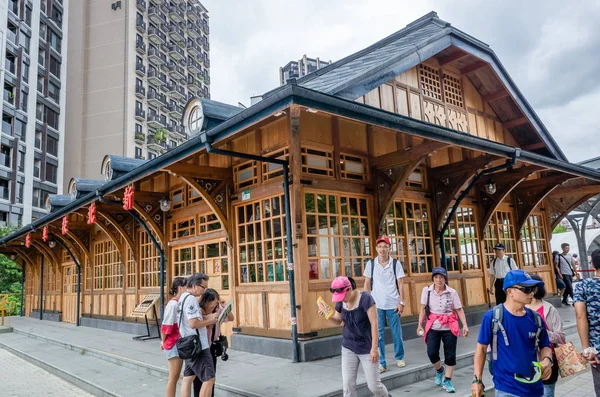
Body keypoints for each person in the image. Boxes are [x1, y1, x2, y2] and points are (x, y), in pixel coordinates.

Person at [471, 269, 553, 397]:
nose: (531, 293)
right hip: (506, 389)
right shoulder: (493, 317)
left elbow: (545, 345)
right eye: (526, 289)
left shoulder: (536, 318)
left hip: (535, 388)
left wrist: (547, 360)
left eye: (533, 288)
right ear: (510, 291)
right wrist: (477, 380)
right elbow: (481, 349)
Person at [319, 276, 390, 397]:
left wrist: (374, 348)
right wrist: (327, 315)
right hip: (349, 346)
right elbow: (338, 320)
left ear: (349, 289)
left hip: (367, 346)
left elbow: (374, 323)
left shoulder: (366, 299)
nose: (341, 300)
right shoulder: (341, 302)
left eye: (342, 296)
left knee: (374, 386)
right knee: (347, 385)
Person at [416, 267, 469, 393]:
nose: (438, 280)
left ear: (445, 278)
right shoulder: (427, 291)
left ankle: (448, 380)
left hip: (449, 326)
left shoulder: (452, 292)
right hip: (433, 326)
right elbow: (423, 309)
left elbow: (459, 309)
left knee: (450, 354)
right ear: (433, 278)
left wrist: (465, 325)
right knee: (432, 352)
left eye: (441, 277)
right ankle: (439, 370)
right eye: (436, 277)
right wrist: (419, 325)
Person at [363, 236, 406, 373]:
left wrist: (402, 302)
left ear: (389, 248)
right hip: (377, 304)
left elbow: (401, 284)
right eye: (380, 246)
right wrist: (366, 303)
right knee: (378, 333)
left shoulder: (395, 264)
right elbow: (367, 283)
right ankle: (382, 362)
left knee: (396, 333)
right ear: (376, 249)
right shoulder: (370, 264)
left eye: (385, 246)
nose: (382, 249)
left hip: (393, 303)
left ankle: (399, 357)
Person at [178, 273, 219, 397]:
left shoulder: (183, 297)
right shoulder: (191, 299)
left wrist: (206, 317)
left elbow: (191, 319)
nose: (204, 291)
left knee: (188, 378)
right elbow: (193, 323)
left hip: (187, 344)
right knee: (209, 379)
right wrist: (211, 321)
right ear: (195, 285)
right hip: (198, 346)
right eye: (203, 287)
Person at [526, 274, 565, 397]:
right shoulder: (520, 309)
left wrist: (542, 333)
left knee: (547, 393)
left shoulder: (549, 309)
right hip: (526, 360)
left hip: (548, 360)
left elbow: (561, 337)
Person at [193, 289, 234, 397]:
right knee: (198, 377)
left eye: (216, 302)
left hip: (211, 346)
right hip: (199, 346)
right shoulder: (197, 309)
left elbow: (231, 318)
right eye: (212, 302)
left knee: (211, 376)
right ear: (205, 301)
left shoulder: (217, 308)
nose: (213, 305)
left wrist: (225, 309)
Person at [573, 249, 600, 396]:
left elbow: (580, 316)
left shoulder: (583, 285)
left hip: (597, 349)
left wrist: (586, 348)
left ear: (593, 265)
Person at [161, 277, 187, 397]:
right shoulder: (173, 305)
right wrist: (163, 341)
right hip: (173, 343)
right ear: (180, 288)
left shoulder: (179, 303)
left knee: (175, 376)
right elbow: (166, 326)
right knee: (174, 376)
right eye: (186, 287)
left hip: (178, 342)